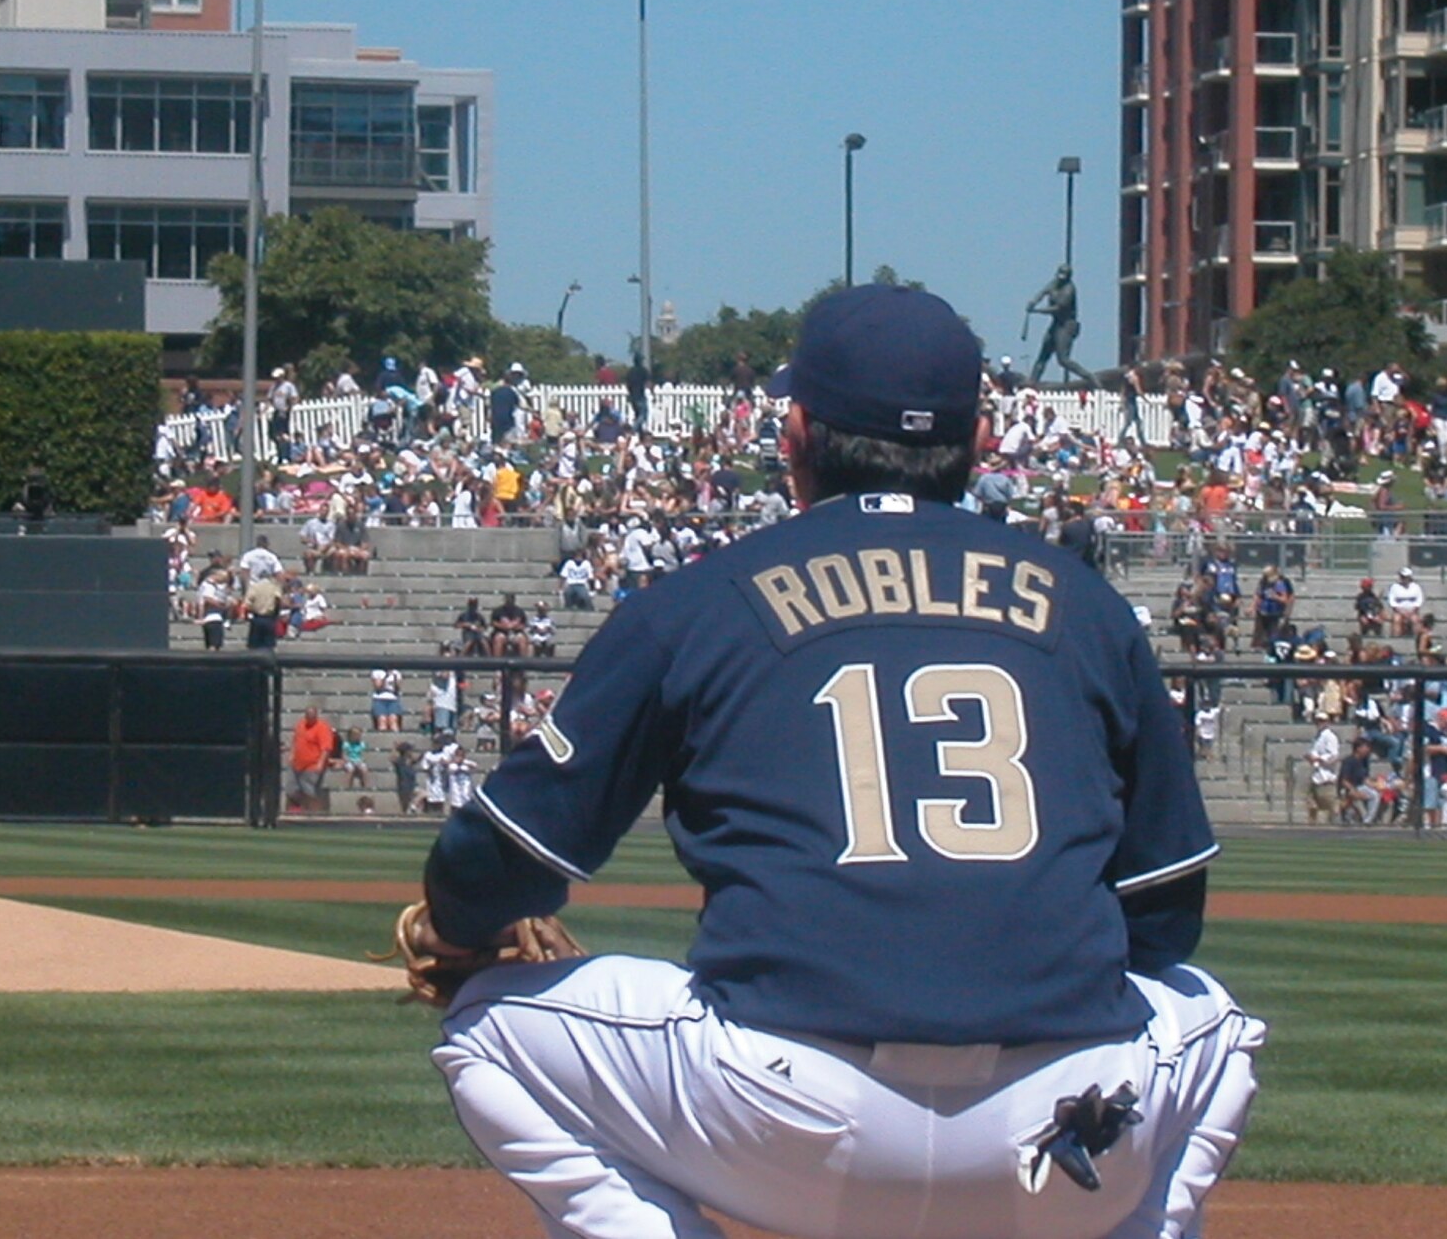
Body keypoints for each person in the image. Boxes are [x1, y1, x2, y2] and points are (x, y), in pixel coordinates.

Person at [414, 285, 1264, 1239]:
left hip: (784, 1124)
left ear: (797, 433)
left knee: (488, 1022)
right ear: (980, 442)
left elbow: (505, 859)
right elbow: (1167, 919)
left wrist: (456, 927)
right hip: (1061, 1137)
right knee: (1221, 1025)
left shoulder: (701, 601)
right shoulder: (1089, 607)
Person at [288, 704, 334, 813]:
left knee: (308, 788)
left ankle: (314, 811)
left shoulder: (322, 728)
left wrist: (320, 763)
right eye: (308, 716)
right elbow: (296, 741)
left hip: (312, 764)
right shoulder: (300, 725)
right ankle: (298, 809)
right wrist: (291, 754)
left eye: (312, 716)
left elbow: (326, 748)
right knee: (292, 789)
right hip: (297, 764)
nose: (310, 718)